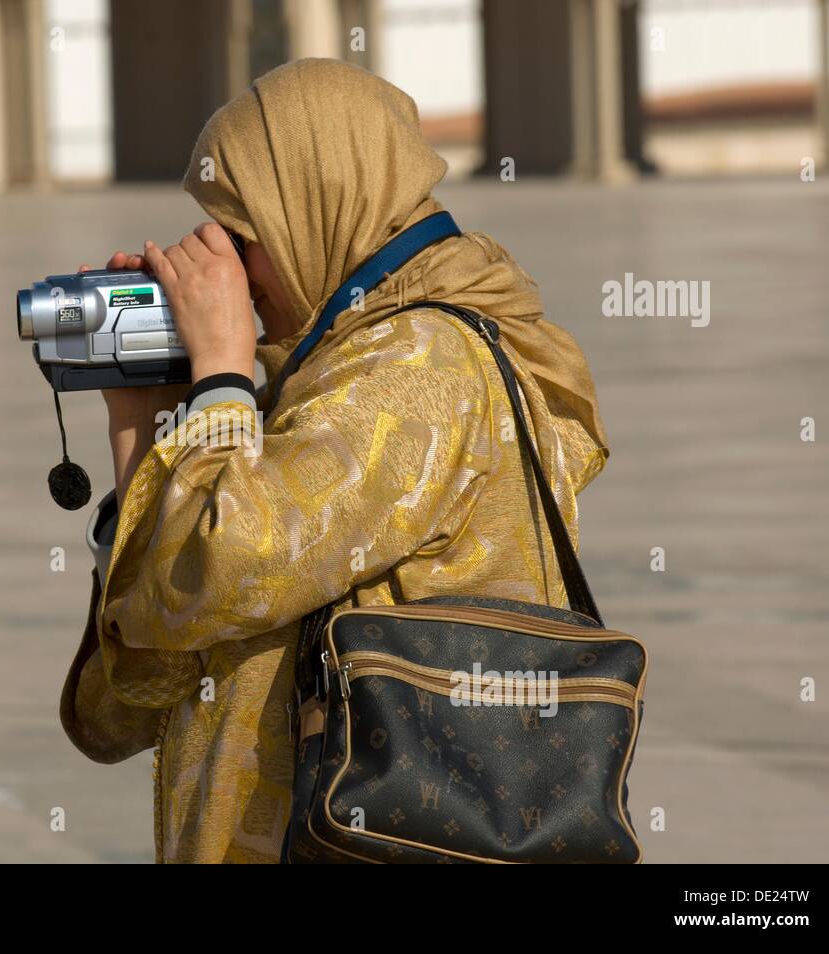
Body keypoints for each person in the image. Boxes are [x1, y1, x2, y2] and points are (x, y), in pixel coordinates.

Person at [58, 58, 610, 864]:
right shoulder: (324, 373)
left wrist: (219, 379)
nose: (232, 278)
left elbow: (218, 568)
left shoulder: (421, 366)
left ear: (315, 208)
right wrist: (145, 432)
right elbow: (129, 700)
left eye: (242, 239)